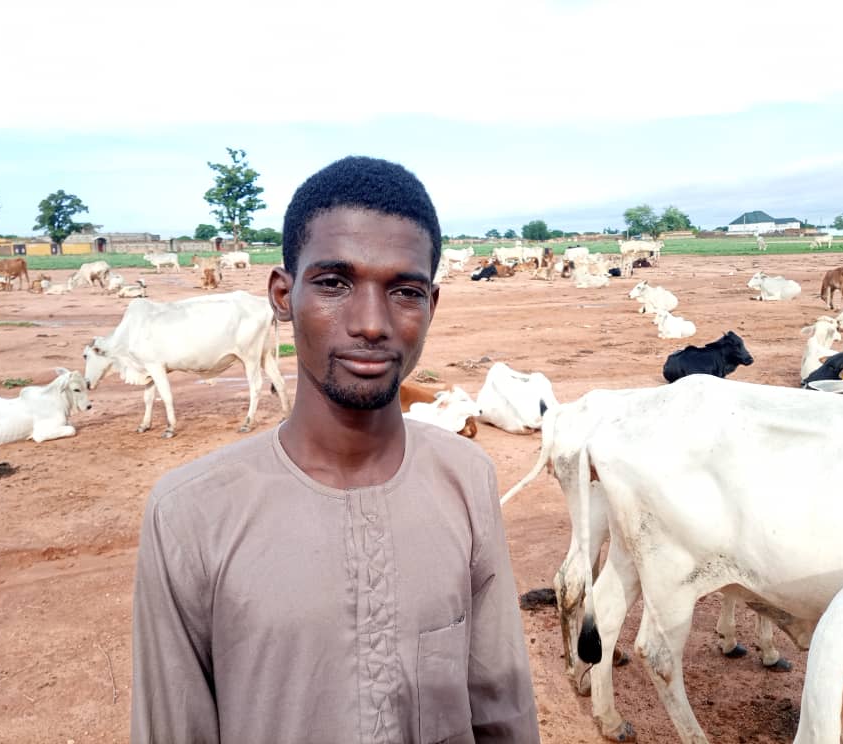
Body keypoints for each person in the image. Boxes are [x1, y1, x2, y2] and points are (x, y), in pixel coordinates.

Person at [131, 156, 541, 744]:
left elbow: (501, 708)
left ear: (431, 305)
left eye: (404, 291)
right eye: (333, 283)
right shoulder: (189, 515)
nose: (372, 323)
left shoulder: (467, 478)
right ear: (282, 295)